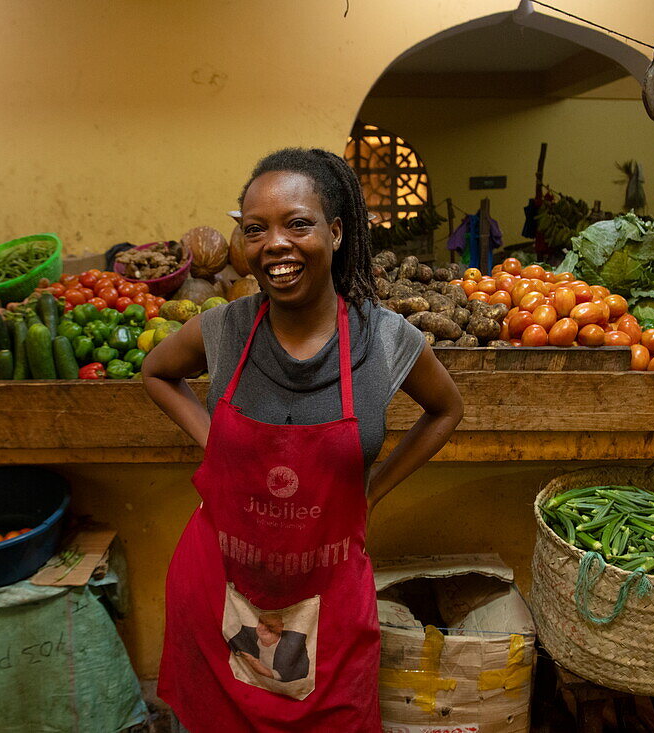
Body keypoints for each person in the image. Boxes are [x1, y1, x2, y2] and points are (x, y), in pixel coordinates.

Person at [144, 147, 463, 732]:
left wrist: (375, 489)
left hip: (331, 607)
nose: (275, 244)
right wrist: (212, 441)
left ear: (336, 233)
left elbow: (447, 410)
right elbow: (156, 372)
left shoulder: (385, 341)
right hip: (219, 593)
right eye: (255, 229)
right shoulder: (223, 330)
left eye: (297, 224)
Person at [228, 612, 310, 683]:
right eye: (261, 623)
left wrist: (268, 673)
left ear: (281, 627)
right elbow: (229, 642)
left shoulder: (294, 641)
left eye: (270, 626)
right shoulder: (247, 633)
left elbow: (302, 672)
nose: (263, 628)